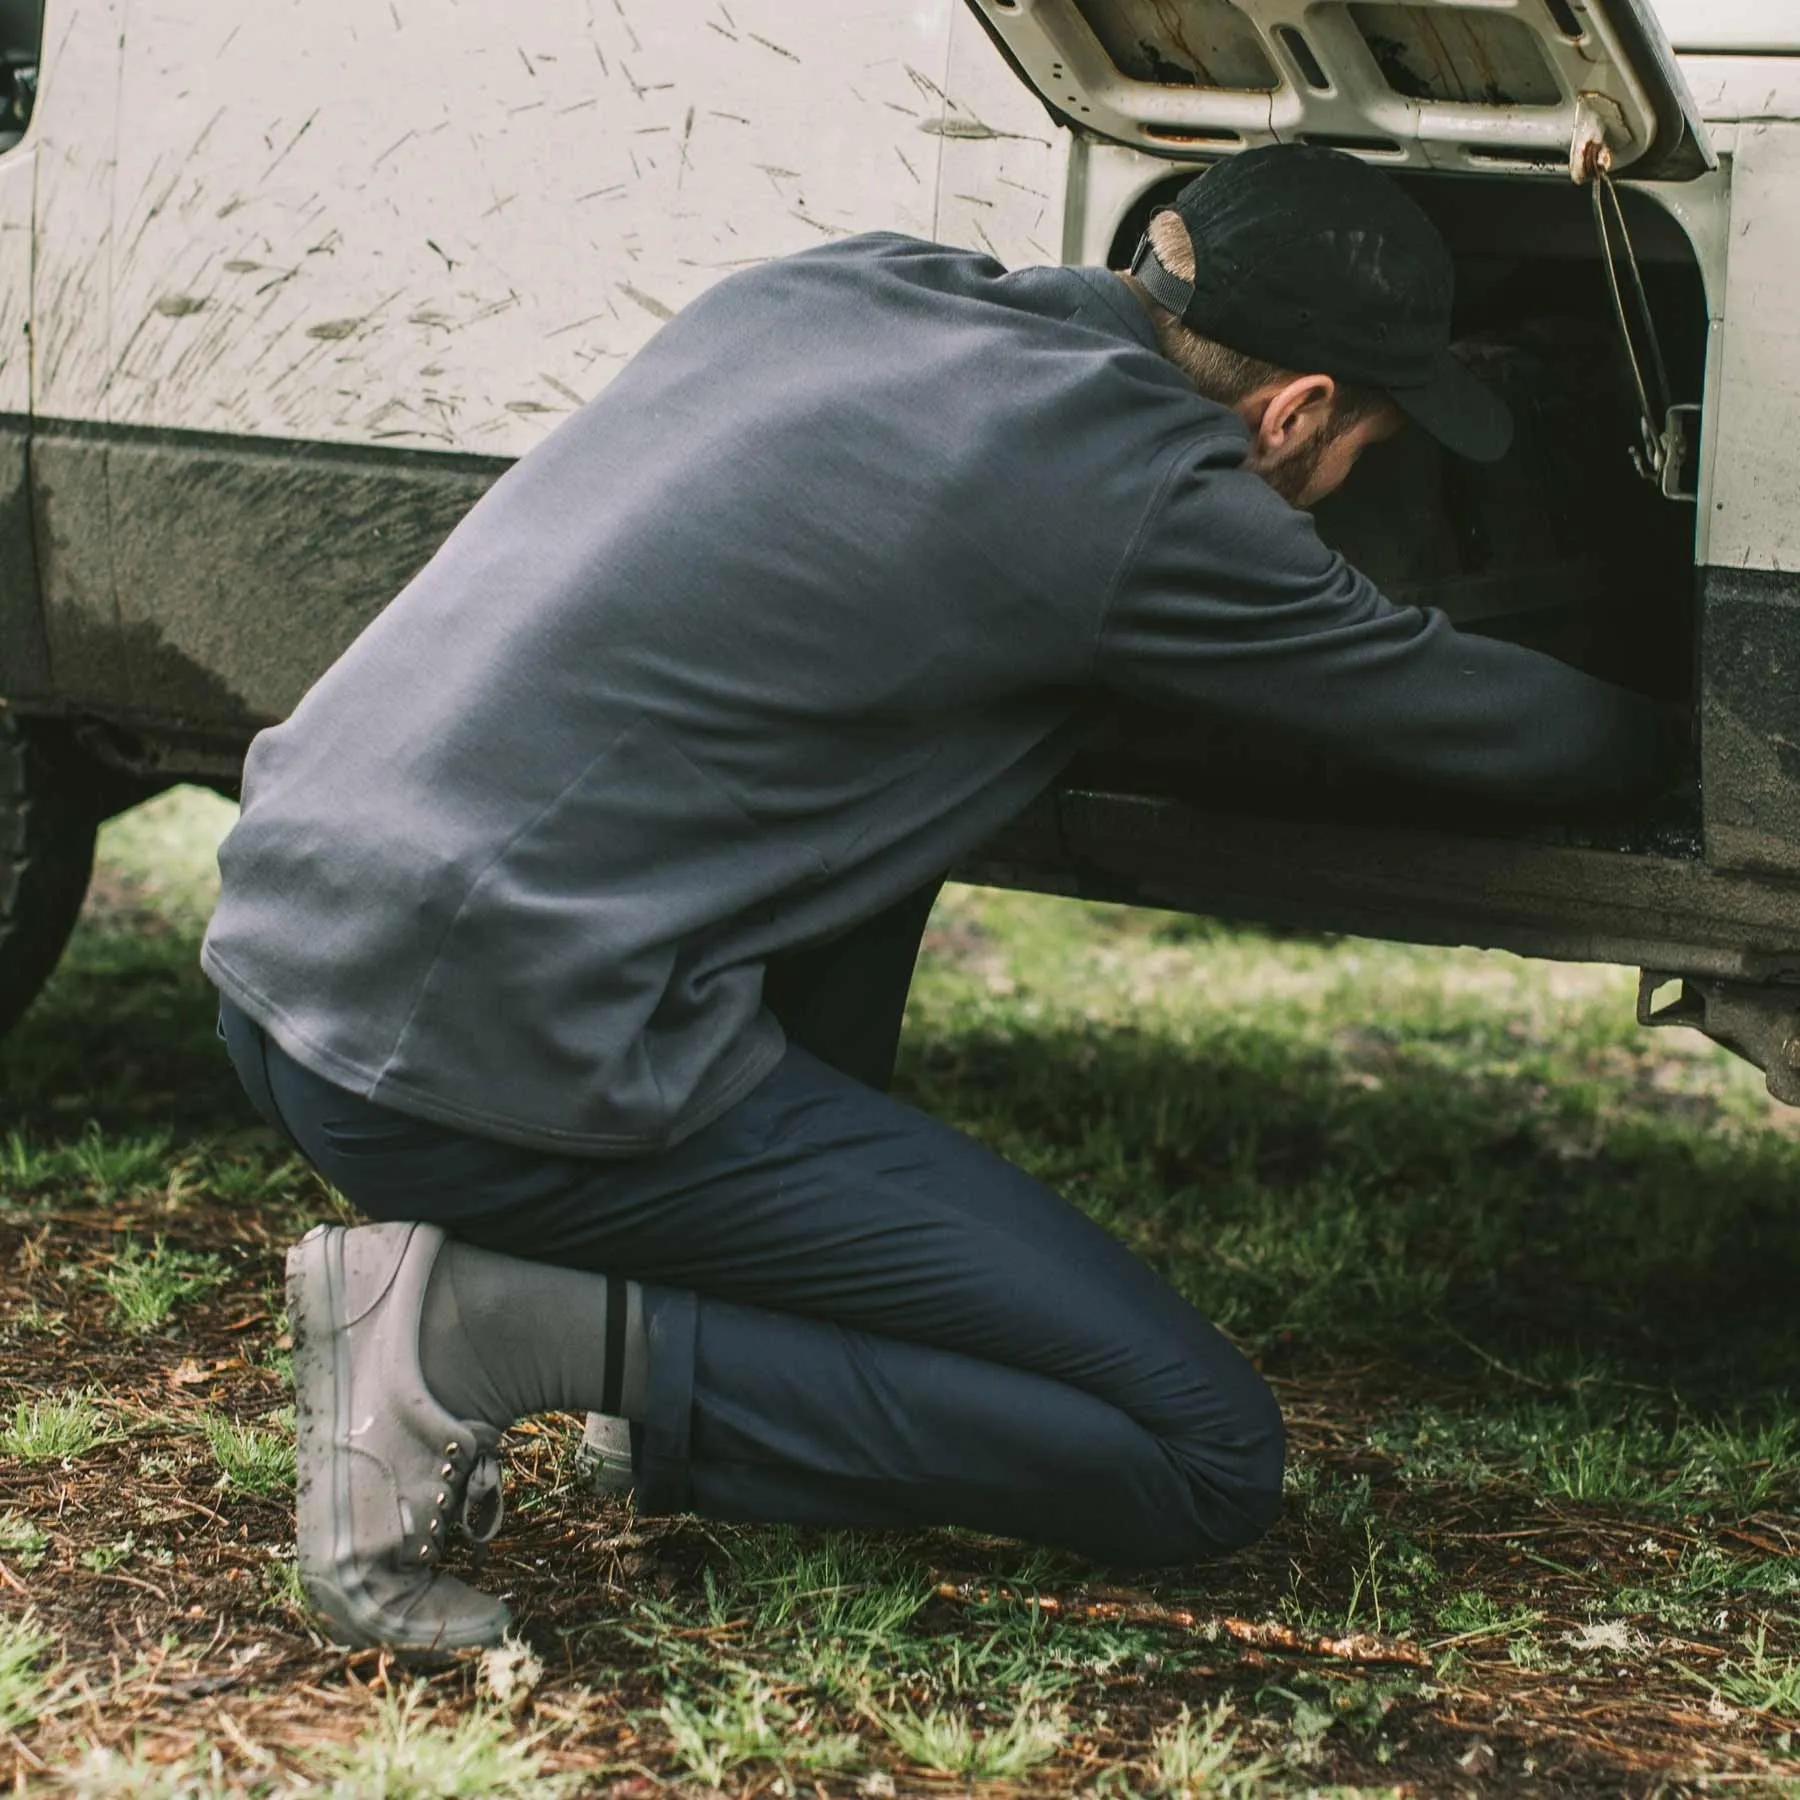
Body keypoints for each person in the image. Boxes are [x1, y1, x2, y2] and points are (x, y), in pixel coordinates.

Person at [202, 145, 1677, 1651]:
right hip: (477, 1053)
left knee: (874, 850)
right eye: (1370, 440)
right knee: (1201, 1454)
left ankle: (660, 1385)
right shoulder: (1138, 487)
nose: (1358, 476)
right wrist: (1705, 732)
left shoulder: (846, 286)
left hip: (287, 957)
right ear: (1293, 413)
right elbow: (1501, 728)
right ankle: (475, 1330)